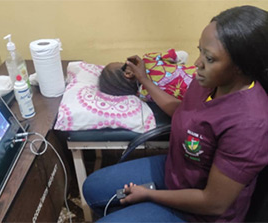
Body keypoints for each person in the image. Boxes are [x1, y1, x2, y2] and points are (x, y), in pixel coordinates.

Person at [83, 5, 268, 222]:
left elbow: (214, 203)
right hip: (177, 172)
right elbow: (182, 109)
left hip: (200, 214)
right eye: (200, 51)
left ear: (240, 66)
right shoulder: (209, 82)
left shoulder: (249, 124)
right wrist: (144, 80)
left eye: (209, 58)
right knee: (92, 188)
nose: (198, 63)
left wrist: (150, 195)